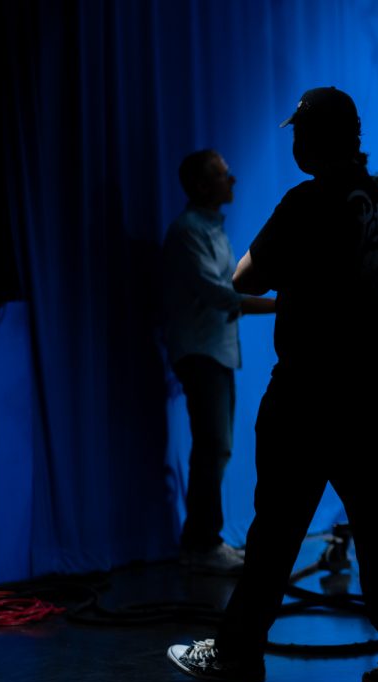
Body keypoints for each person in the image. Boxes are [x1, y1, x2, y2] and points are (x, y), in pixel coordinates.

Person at [168, 88, 378, 682]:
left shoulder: (308, 201)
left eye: (298, 134)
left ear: (313, 140)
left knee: (277, 527)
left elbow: (244, 277)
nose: (293, 145)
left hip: (313, 389)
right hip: (369, 380)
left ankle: (235, 653)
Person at [163, 150, 276, 574]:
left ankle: (205, 539)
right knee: (212, 448)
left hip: (217, 350)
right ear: (199, 185)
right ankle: (201, 544)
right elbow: (219, 294)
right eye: (222, 175)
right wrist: (284, 304)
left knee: (218, 448)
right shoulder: (187, 231)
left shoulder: (213, 229)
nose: (232, 181)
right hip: (200, 351)